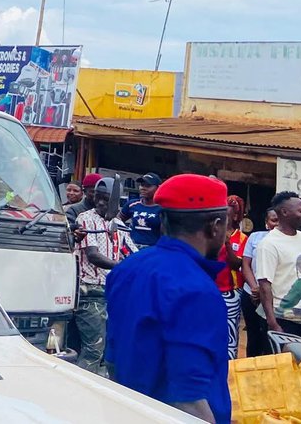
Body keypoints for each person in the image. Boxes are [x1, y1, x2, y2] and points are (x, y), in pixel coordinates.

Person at [105, 174, 230, 423]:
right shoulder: (197, 289)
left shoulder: (127, 269)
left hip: (128, 411)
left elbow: (113, 359)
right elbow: (188, 400)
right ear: (215, 226)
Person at [74, 176, 135, 375]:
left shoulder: (119, 224)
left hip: (112, 292)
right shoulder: (86, 219)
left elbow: (132, 253)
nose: (100, 202)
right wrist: (122, 267)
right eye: (98, 198)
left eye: (105, 199)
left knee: (112, 351)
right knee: (94, 349)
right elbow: (93, 255)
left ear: (116, 201)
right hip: (90, 291)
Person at [255, 191, 301, 339]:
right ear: (284, 212)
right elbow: (265, 286)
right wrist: (273, 324)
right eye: (300, 210)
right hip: (283, 319)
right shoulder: (269, 244)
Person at [241, 207, 278, 356]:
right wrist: (255, 287)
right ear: (266, 223)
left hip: (274, 296)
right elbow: (245, 264)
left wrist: (264, 291)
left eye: (279, 220)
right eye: (273, 220)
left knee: (269, 337)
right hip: (251, 294)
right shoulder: (255, 237)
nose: (276, 224)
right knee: (253, 335)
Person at [216, 195, 246, 359]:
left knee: (229, 332)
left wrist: (227, 244)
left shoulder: (241, 238)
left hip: (231, 291)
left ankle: (229, 365)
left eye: (226, 214)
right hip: (211, 288)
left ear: (235, 216)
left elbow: (237, 264)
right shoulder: (211, 233)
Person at [121, 173, 163, 248]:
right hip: (132, 248)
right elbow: (117, 222)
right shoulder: (132, 204)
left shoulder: (163, 209)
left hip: (152, 250)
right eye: (141, 185)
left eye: (148, 186)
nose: (142, 188)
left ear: (158, 188)